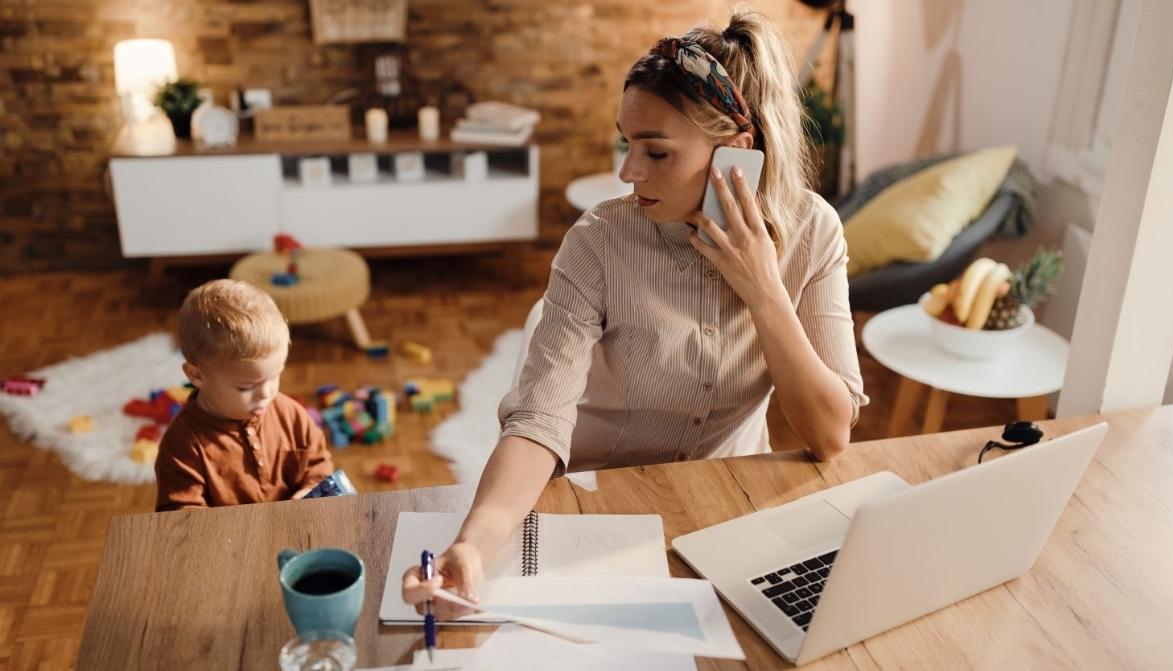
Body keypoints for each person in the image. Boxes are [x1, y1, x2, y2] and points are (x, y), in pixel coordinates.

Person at [403, 10, 868, 613]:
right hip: (596, 501)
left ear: (736, 155)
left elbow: (830, 435)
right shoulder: (598, 241)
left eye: (657, 152)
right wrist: (471, 545)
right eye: (628, 143)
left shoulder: (814, 233)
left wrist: (763, 288)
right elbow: (538, 422)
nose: (627, 171)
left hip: (724, 508)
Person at [155, 279, 333, 511]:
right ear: (196, 375)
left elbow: (318, 466)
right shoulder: (182, 446)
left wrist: (309, 492)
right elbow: (180, 517)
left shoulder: (291, 414)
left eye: (274, 377)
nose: (266, 394)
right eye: (246, 387)